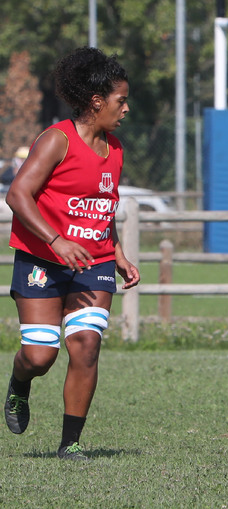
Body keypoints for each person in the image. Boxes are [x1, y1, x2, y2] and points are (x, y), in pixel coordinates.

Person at [3, 47, 140, 461]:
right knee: (41, 355)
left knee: (85, 345)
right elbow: (17, 194)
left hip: (93, 263)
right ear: (96, 102)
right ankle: (19, 383)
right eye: (121, 101)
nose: (126, 109)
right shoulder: (56, 139)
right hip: (42, 261)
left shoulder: (114, 149)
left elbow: (103, 206)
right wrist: (56, 240)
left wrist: (116, 252)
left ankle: (70, 443)